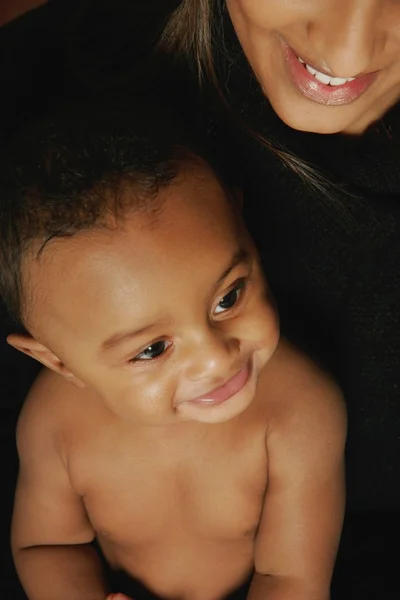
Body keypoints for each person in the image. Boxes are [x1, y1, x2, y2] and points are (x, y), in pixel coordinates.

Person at [0, 106, 345, 600]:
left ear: (241, 225)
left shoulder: (299, 410)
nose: (215, 357)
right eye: (154, 349)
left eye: (228, 297)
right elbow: (45, 546)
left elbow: (291, 578)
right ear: (59, 362)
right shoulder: (54, 423)